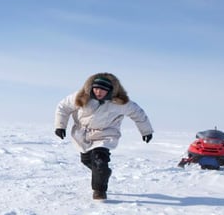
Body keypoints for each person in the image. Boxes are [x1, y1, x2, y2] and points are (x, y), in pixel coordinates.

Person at [54, 73, 153, 201]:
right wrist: (60, 126)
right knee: (86, 161)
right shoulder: (81, 96)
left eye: (103, 89)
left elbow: (138, 114)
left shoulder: (120, 102)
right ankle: (103, 173)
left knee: (100, 161)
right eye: (96, 88)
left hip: (105, 134)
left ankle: (99, 191)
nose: (98, 92)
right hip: (83, 134)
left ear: (110, 90)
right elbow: (63, 107)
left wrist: (146, 131)